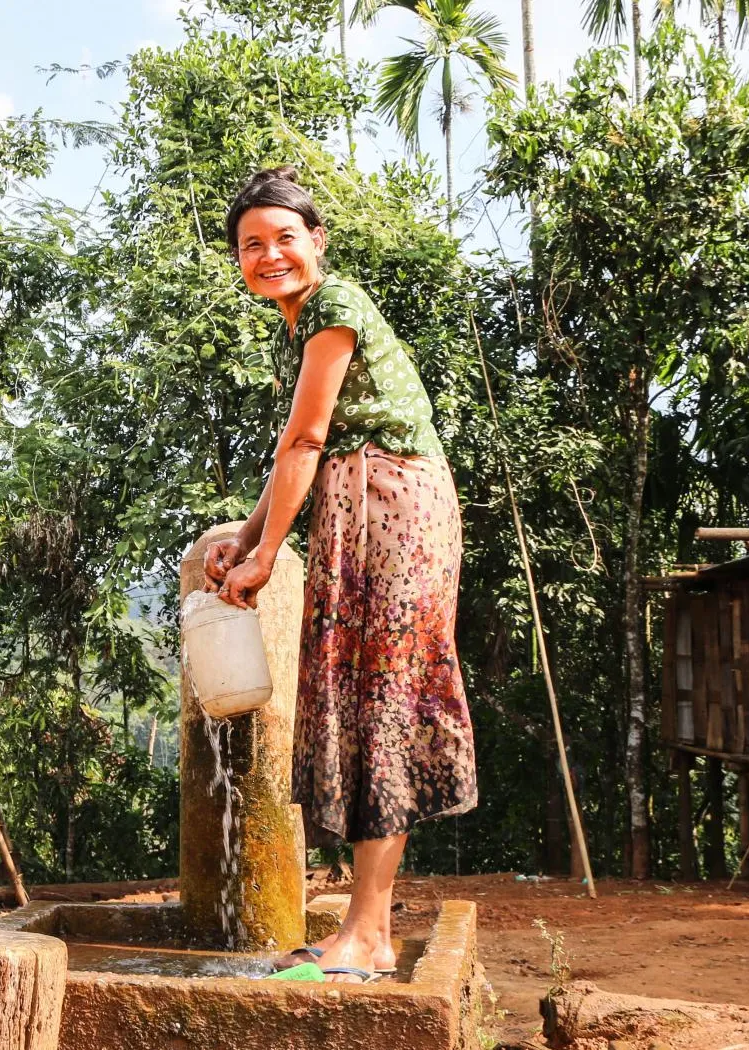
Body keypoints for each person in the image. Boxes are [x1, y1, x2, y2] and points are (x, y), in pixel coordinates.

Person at [203, 166, 477, 984]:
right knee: (362, 706)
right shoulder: (302, 324)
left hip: (394, 507)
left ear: (316, 241)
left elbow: (306, 440)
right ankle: (367, 932)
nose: (270, 256)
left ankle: (367, 935)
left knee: (384, 704)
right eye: (252, 245)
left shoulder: (335, 303)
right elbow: (298, 448)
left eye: (285, 238)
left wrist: (262, 556)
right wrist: (248, 536)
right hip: (359, 509)